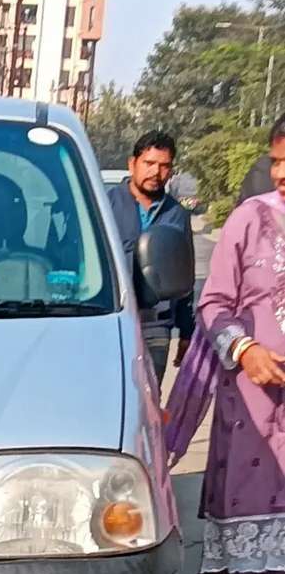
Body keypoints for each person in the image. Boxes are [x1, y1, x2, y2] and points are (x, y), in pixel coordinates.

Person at [165, 116, 285, 574]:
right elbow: (213, 304)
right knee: (238, 518)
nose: (281, 173)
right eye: (277, 161)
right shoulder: (251, 218)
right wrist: (246, 349)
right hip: (252, 405)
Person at [109, 131, 196, 385]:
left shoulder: (177, 215)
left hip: (157, 324)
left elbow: (184, 276)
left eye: (164, 166)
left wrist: (186, 331)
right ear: (132, 163)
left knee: (149, 399)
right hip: (111, 318)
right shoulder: (105, 204)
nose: (156, 172)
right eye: (149, 163)